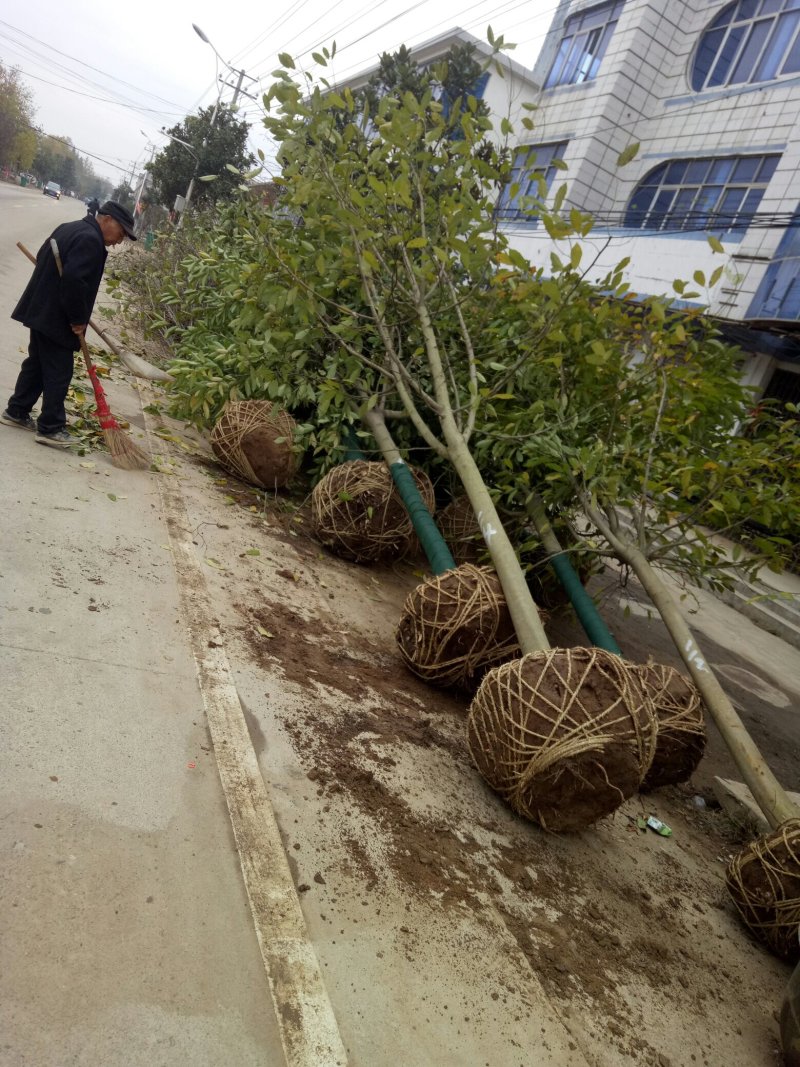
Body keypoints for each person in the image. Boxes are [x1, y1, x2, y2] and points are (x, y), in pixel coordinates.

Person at [1, 201, 137, 449]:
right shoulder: (90, 240)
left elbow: (45, 255)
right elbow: (74, 282)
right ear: (107, 220)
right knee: (58, 371)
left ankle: (17, 411)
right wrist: (77, 318)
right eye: (122, 233)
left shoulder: (70, 227)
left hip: (43, 309)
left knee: (38, 364)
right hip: (57, 317)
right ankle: (51, 427)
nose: (120, 241)